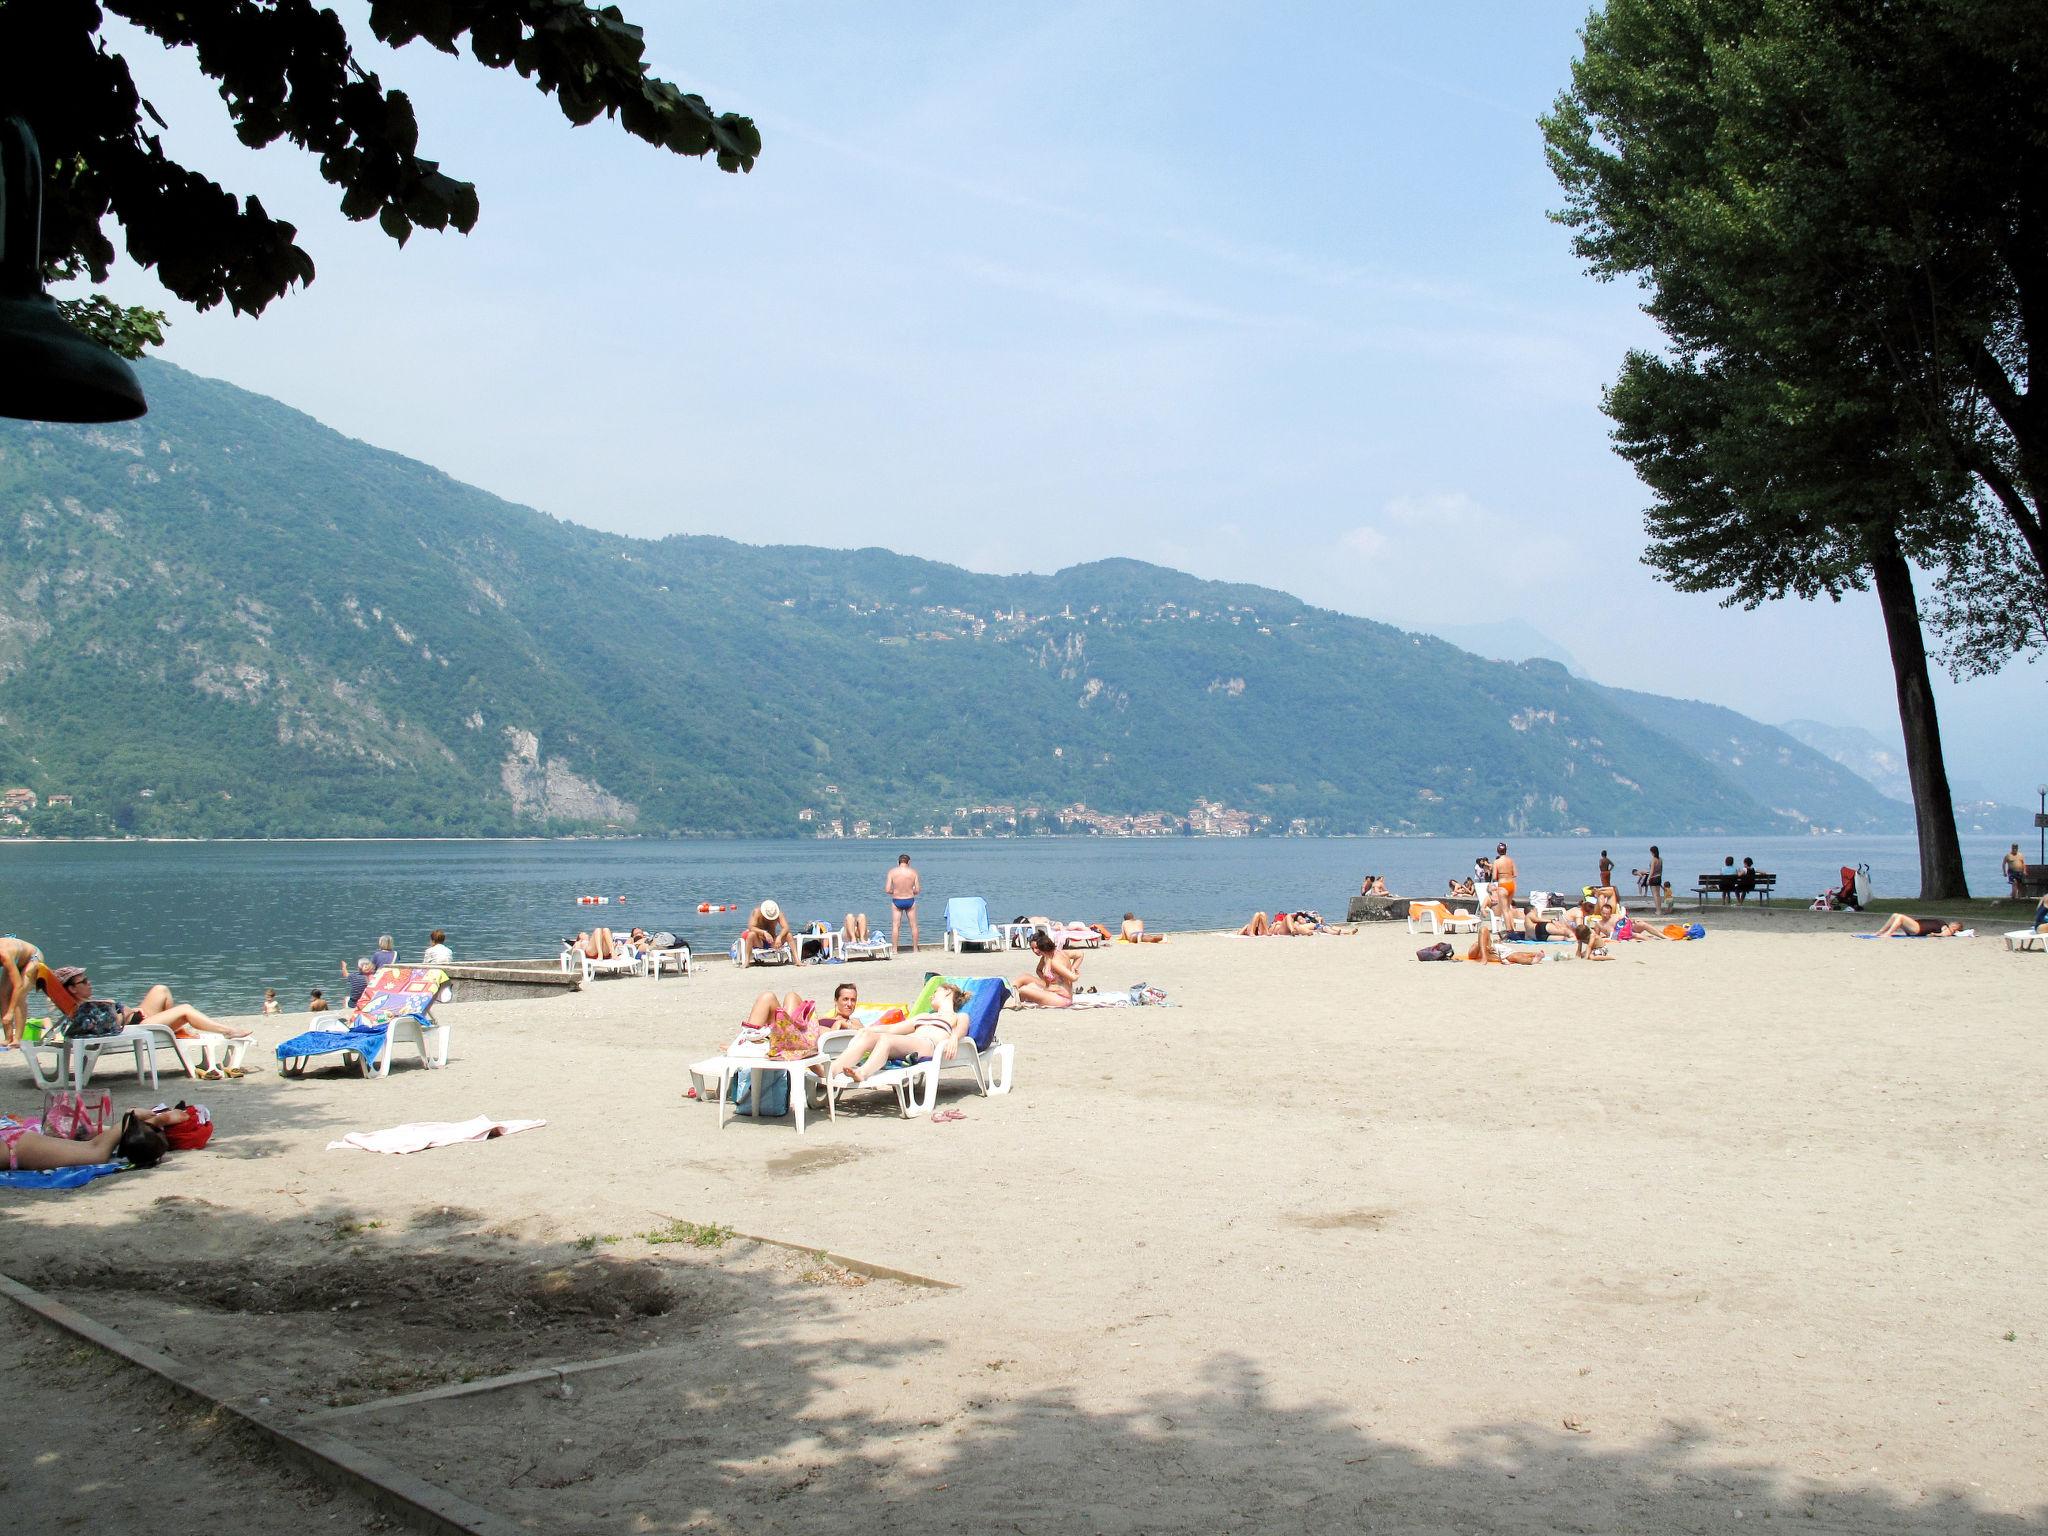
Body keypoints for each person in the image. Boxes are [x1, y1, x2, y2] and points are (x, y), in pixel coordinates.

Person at [831, 983, 973, 1087]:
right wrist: (868, 1030)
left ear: (948, 992)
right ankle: (832, 1069)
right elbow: (893, 1029)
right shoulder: (923, 1016)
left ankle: (862, 1073)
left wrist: (954, 1038)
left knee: (886, 1040)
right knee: (867, 1036)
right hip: (909, 1042)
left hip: (927, 1045)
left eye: (936, 992)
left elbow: (962, 1028)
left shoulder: (958, 1016)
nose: (931, 995)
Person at [1, 1103, 185, 1172]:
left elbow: (97, 1152)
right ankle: (143, 1121)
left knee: (96, 1151)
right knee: (90, 1144)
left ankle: (131, 1119)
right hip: (14, 1140)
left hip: (15, 1147)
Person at [0, 934, 46, 1046]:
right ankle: (8, 1038)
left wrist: (10, 1012)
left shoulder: (4, 955)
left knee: (19, 996)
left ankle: (17, 1040)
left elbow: (18, 985)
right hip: (16, 960)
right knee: (3, 994)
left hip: (33, 958)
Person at [1015, 930, 1080, 1006]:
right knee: (1028, 985)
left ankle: (1013, 999)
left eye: (1037, 948)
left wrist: (1074, 970)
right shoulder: (1049, 957)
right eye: (1032, 949)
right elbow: (1039, 970)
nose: (1035, 951)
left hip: (1062, 998)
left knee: (1023, 990)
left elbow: (1073, 978)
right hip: (1053, 992)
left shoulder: (1054, 962)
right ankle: (1011, 993)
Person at [737, 901, 794, 967]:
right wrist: (764, 932)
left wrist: (779, 937)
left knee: (789, 935)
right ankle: (747, 961)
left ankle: (797, 960)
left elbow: (786, 927)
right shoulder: (757, 912)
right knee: (751, 934)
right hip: (758, 940)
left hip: (772, 940)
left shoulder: (778, 914)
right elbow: (751, 927)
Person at [884, 854, 921, 952]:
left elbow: (887, 890)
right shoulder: (913, 872)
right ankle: (915, 949)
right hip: (910, 900)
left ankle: (895, 949)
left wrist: (895, 891)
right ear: (908, 862)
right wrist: (910, 890)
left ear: (898, 862)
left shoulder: (892, 872)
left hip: (897, 900)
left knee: (896, 925)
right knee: (913, 925)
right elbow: (917, 890)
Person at [1871, 912, 1965, 938]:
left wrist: (1934, 935)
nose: (1953, 924)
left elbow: (1946, 933)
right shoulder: (1943, 923)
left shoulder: (1946, 927)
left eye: (1955, 925)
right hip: (1915, 927)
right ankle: (1880, 932)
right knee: (1895, 915)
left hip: (1918, 929)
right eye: (1954, 923)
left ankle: (1888, 934)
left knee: (1900, 917)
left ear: (1956, 929)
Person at [1647, 845, 1666, 912]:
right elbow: (1661, 870)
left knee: (1655, 895)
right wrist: (1660, 876)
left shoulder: (1653, 860)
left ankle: (1658, 910)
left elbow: (1651, 871)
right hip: (1658, 877)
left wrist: (1648, 879)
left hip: (1653, 878)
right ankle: (1659, 909)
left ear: (1652, 852)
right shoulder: (1660, 859)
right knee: (1658, 895)